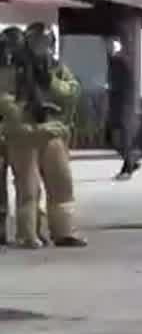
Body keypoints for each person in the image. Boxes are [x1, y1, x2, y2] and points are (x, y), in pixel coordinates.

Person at [7, 23, 85, 248]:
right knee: (28, 187)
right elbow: (4, 98)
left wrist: (51, 82)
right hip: (25, 136)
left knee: (61, 184)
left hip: (54, 134)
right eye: (36, 42)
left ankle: (64, 231)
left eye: (46, 43)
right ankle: (28, 233)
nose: (42, 47)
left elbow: (73, 92)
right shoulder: (14, 70)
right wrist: (24, 112)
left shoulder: (57, 69)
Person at [107, 36, 141, 180]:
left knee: (123, 138)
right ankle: (131, 162)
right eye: (108, 45)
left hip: (123, 105)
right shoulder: (113, 61)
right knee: (111, 138)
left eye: (111, 45)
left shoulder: (121, 62)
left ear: (118, 46)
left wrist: (112, 88)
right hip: (116, 104)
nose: (108, 47)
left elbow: (128, 85)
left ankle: (128, 167)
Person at [0, 27, 20, 246]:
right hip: (10, 132)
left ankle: (29, 228)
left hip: (19, 132)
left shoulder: (25, 71)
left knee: (27, 182)